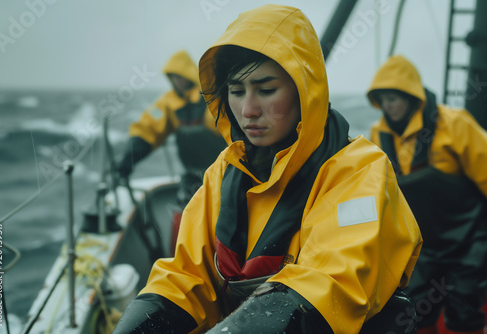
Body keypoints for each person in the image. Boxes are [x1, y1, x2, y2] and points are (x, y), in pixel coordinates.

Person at [113, 5, 422, 333]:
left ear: (304, 91)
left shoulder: (361, 173)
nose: (247, 110)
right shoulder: (222, 173)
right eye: (235, 91)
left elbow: (327, 286)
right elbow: (187, 280)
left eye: (266, 90)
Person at [366, 54, 487, 334]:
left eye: (393, 98)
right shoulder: (376, 134)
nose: (387, 106)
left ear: (411, 97)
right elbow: (376, 193)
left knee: (464, 308)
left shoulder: (455, 123)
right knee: (416, 311)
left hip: (468, 239)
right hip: (420, 244)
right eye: (382, 99)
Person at [117, 49, 227, 208]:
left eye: (179, 75)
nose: (176, 80)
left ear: (188, 75)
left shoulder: (211, 96)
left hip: (223, 173)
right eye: (173, 77)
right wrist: (127, 160)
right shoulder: (168, 103)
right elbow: (148, 130)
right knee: (188, 211)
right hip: (192, 175)